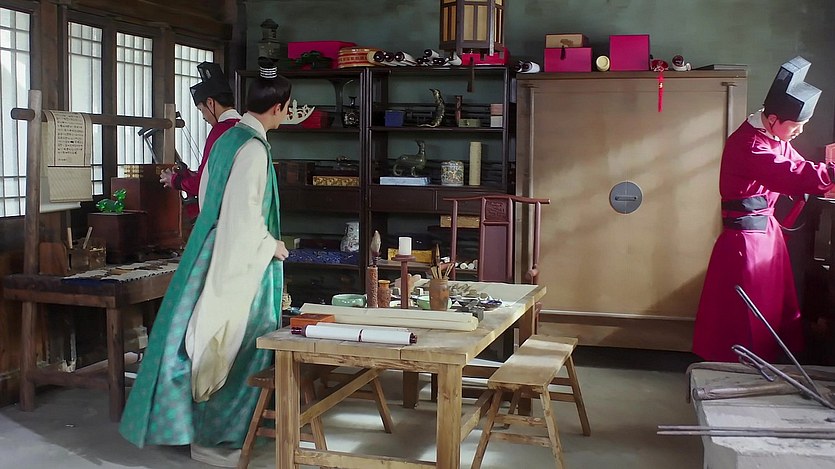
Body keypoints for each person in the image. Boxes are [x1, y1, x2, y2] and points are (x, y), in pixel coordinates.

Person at [119, 58, 292, 468]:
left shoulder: (227, 140)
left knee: (196, 336)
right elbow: (243, 215)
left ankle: (200, 432)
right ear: (278, 107)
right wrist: (271, 246)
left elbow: (209, 198)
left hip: (210, 247)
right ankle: (218, 439)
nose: (288, 114)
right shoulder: (251, 149)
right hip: (237, 254)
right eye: (288, 108)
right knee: (237, 345)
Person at [693, 56, 835, 363]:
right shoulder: (749, 145)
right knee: (750, 310)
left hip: (766, 235)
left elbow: (797, 165)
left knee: (771, 306)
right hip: (746, 243)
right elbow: (791, 173)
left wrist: (823, 174)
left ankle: (766, 359)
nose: (799, 132)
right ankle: (742, 365)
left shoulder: (773, 137)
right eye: (796, 126)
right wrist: (829, 174)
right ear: (772, 119)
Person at [161, 62, 241, 221]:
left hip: (223, 215)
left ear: (210, 103)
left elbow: (204, 183)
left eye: (201, 110)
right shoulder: (244, 126)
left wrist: (175, 180)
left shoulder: (220, 131)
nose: (204, 117)